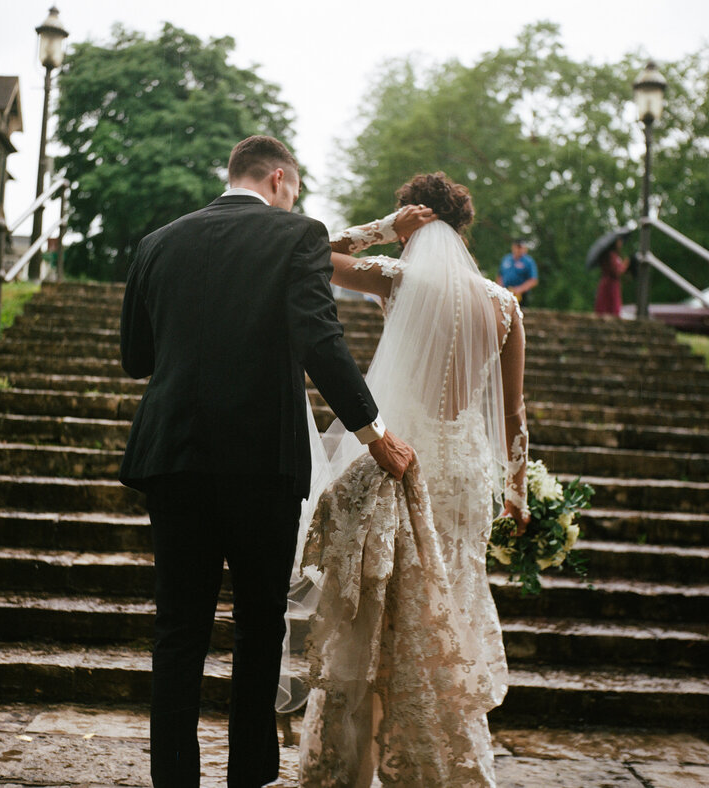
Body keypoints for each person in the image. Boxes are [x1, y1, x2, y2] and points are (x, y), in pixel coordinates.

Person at [119, 135, 415, 787]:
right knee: (259, 625)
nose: (295, 203)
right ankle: (247, 776)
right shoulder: (297, 236)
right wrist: (377, 435)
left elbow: (136, 358)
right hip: (262, 461)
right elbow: (321, 341)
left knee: (178, 628)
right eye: (296, 192)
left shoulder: (158, 243)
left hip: (175, 457)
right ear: (279, 179)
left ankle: (174, 779)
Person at [293, 172, 529, 787]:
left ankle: (353, 765)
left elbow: (308, 253)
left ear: (414, 225)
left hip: (404, 463)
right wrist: (518, 491)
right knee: (445, 606)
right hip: (467, 473)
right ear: (463, 227)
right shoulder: (504, 305)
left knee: (382, 611)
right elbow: (515, 416)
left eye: (405, 228)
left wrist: (379, 230)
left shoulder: (397, 280)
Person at [595, 237, 630, 316]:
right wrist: (625, 265)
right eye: (619, 241)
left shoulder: (612, 255)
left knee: (606, 305)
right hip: (610, 284)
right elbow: (616, 271)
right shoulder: (611, 255)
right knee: (611, 306)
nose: (621, 243)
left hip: (610, 283)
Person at [497, 239, 538, 304]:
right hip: (505, 293)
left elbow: (533, 280)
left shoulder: (528, 261)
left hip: (521, 296)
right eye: (517, 247)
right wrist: (499, 289)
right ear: (513, 247)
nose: (518, 250)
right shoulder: (506, 259)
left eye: (520, 248)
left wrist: (519, 289)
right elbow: (500, 276)